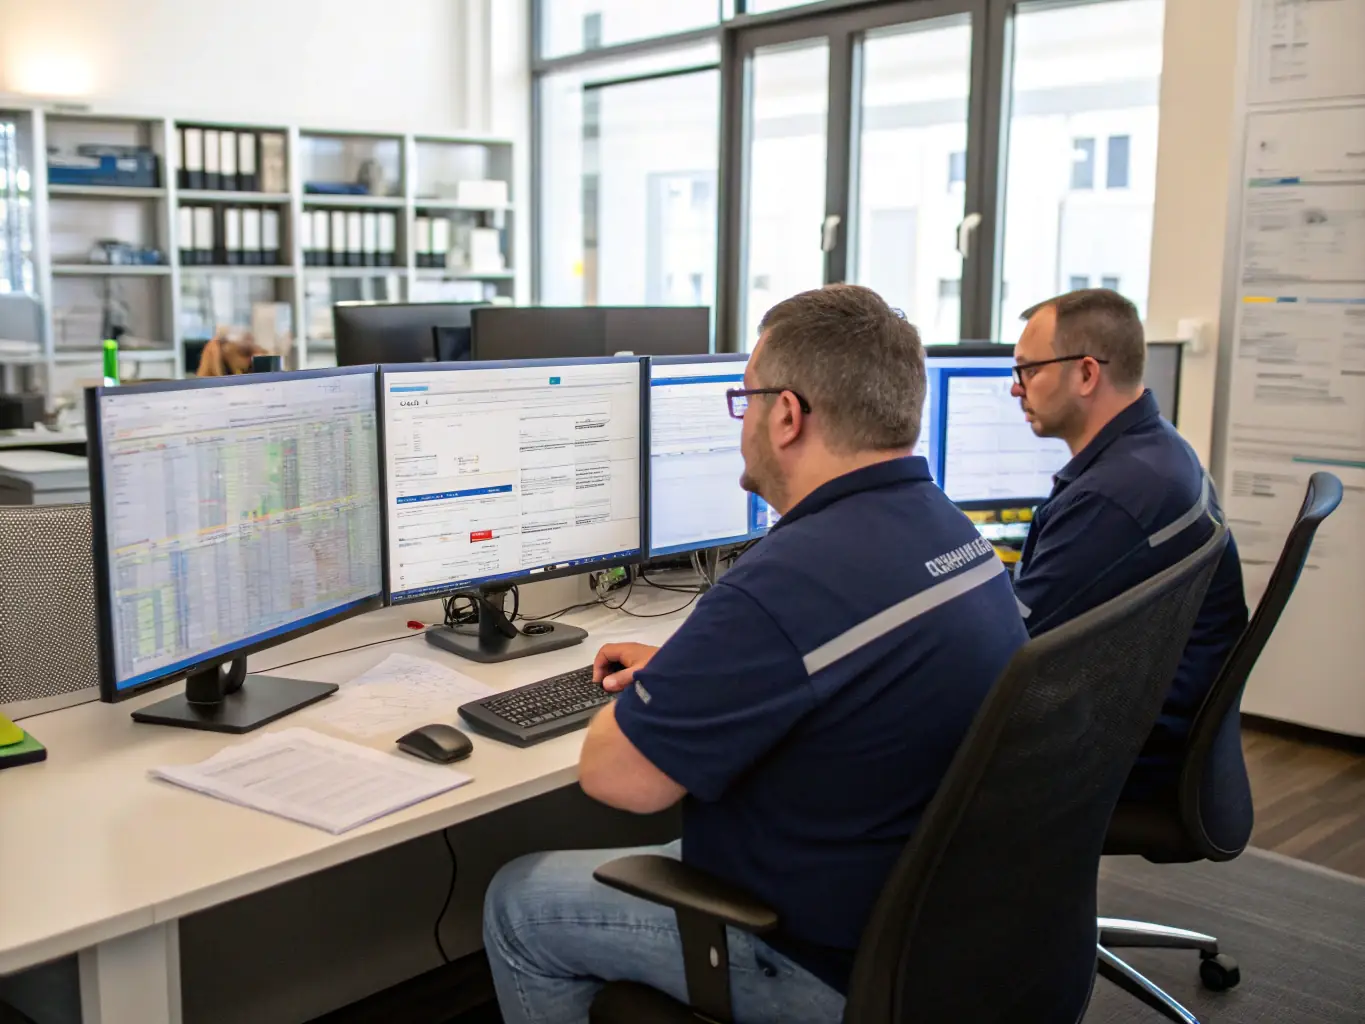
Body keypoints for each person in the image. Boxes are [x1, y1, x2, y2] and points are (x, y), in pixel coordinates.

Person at [482, 285, 1029, 1024]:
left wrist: (687, 673)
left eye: (745, 401)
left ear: (787, 415)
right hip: (949, 940)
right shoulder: (951, 533)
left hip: (820, 960)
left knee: (517, 902)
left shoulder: (788, 580)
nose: (741, 423)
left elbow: (618, 779)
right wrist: (701, 668)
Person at [1009, 288, 1248, 795]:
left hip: (1125, 751)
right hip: (1155, 720)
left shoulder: (1114, 497)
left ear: (1086, 374)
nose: (1015, 388)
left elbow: (1013, 646)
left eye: (1028, 370)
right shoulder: (1156, 450)